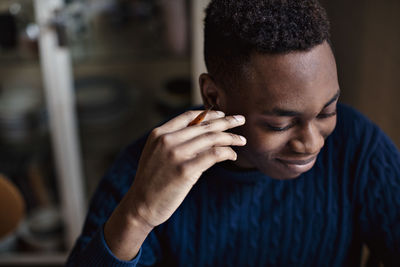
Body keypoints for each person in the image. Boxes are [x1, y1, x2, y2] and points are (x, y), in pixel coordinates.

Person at [66, 0, 400, 266]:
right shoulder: (151, 167)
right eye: (279, 124)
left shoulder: (358, 146)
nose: (312, 143)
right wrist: (139, 215)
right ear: (213, 97)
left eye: (327, 111)